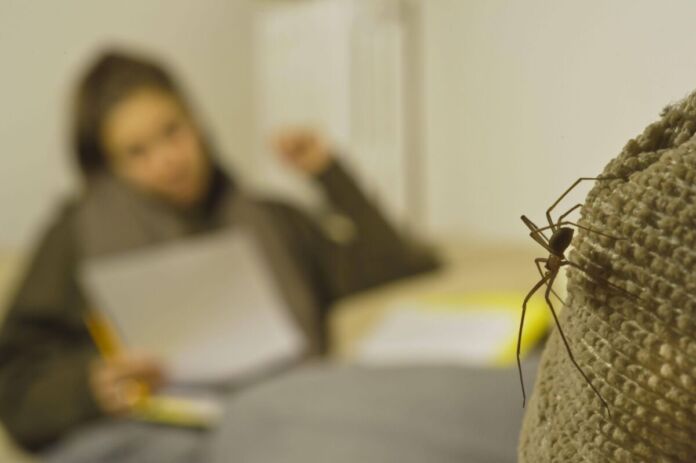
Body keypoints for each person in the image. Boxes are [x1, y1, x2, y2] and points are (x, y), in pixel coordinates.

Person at [0, 50, 439, 455]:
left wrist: (328, 173)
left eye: (173, 132)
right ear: (108, 167)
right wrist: (91, 384)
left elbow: (397, 264)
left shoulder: (272, 219)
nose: (168, 159)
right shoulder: (76, 235)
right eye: (137, 153)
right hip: (154, 436)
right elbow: (17, 381)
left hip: (288, 421)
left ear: (197, 122)